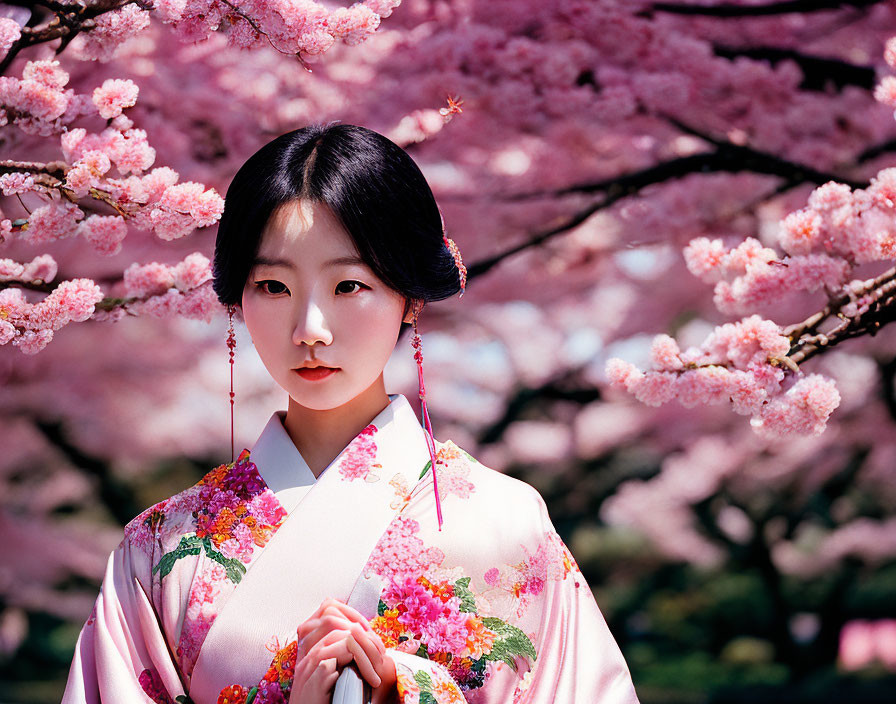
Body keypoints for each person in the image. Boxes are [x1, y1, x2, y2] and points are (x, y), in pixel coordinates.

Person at [61, 123, 640, 704]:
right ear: (238, 297)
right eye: (273, 286)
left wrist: (404, 691)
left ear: (409, 296)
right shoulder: (159, 549)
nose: (310, 330)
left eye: (348, 285)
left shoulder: (507, 523)